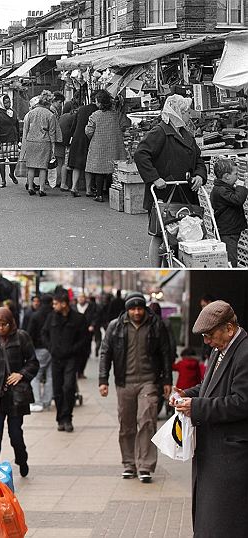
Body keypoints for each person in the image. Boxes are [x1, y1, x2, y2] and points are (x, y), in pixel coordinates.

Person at [171, 300, 248, 537]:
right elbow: (209, 386)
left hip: (230, 455)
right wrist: (186, 394)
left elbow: (241, 402)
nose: (206, 341)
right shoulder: (221, 348)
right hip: (213, 451)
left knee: (223, 523)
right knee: (210, 520)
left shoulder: (244, 353)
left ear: (229, 328)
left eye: (209, 335)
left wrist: (197, 407)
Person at [98, 292, 172, 483]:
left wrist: (167, 381)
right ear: (127, 310)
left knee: (147, 421)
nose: (137, 312)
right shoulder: (115, 327)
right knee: (126, 424)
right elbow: (105, 352)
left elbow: (166, 353)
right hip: (124, 382)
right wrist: (103, 380)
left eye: (140, 308)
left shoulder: (156, 325)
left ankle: (145, 465)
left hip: (149, 381)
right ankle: (129, 463)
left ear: (145, 308)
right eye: (133, 309)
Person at [133, 94, 207, 266]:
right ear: (177, 113)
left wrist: (199, 175)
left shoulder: (185, 134)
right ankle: (156, 270)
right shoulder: (159, 132)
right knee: (160, 235)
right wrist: (154, 178)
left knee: (183, 233)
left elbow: (199, 160)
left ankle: (175, 265)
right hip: (164, 194)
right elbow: (141, 154)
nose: (189, 115)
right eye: (186, 112)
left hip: (185, 193)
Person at [0, 307, 39, 477]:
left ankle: (22, 460)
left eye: (3, 324)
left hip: (15, 396)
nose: (0, 328)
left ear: (11, 323)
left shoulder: (22, 337)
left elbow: (33, 362)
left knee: (15, 434)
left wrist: (21, 374)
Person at [42, 290, 88, 432]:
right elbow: (44, 333)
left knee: (68, 387)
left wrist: (73, 350)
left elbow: (84, 338)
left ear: (64, 304)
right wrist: (51, 348)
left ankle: (67, 417)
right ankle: (60, 418)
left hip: (71, 359)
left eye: (56, 303)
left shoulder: (78, 318)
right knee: (57, 389)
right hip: (56, 358)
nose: (53, 306)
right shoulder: (51, 317)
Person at [84, 90, 129, 203]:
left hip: (99, 145)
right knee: (112, 169)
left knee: (100, 170)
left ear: (99, 103)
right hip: (114, 144)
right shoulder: (116, 114)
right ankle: (111, 192)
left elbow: (89, 131)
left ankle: (99, 194)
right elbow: (125, 125)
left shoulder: (95, 115)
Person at [210, 158, 247, 267]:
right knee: (230, 258)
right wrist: (242, 186)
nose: (237, 177)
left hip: (229, 229)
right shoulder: (221, 190)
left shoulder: (223, 188)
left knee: (230, 255)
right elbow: (237, 200)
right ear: (226, 176)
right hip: (227, 231)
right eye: (235, 174)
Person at [20, 92, 58, 196]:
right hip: (44, 142)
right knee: (42, 167)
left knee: (31, 166)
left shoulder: (30, 114)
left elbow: (26, 129)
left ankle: (31, 187)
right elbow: (52, 132)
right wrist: (53, 147)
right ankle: (41, 189)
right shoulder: (50, 115)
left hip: (31, 142)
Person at [27, 293, 54, 412]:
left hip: (39, 349)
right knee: (50, 376)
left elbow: (29, 334)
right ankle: (47, 401)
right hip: (53, 349)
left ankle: (37, 402)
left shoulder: (36, 315)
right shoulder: (54, 315)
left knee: (36, 376)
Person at [68, 93, 98, 197]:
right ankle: (88, 190)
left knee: (77, 165)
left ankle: (73, 187)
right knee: (87, 165)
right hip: (89, 139)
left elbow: (74, 126)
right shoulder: (97, 111)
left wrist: (72, 137)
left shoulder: (81, 109)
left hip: (77, 138)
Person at [0, 94, 20, 188]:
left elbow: (16, 126)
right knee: (2, 161)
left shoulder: (13, 112)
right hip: (2, 140)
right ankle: (3, 180)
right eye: (6, 102)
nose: (8, 104)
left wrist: (19, 139)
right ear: (2, 103)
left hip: (13, 139)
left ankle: (12, 174)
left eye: (9, 102)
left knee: (14, 159)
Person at [74, 293, 97, 379]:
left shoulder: (91, 307)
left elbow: (95, 317)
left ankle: (81, 371)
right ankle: (76, 371)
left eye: (82, 297)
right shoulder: (74, 307)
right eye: (79, 297)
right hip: (76, 334)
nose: (81, 299)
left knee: (85, 353)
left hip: (87, 333)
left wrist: (92, 325)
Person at [58, 101, 78, 195]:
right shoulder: (73, 116)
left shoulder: (62, 116)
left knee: (62, 163)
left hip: (61, 141)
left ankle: (61, 182)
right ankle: (63, 184)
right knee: (66, 163)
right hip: (68, 142)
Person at [50, 91, 66, 189]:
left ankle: (55, 180)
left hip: (54, 138)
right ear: (54, 101)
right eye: (60, 102)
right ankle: (57, 181)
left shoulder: (54, 110)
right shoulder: (52, 110)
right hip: (54, 139)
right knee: (58, 161)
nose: (60, 105)